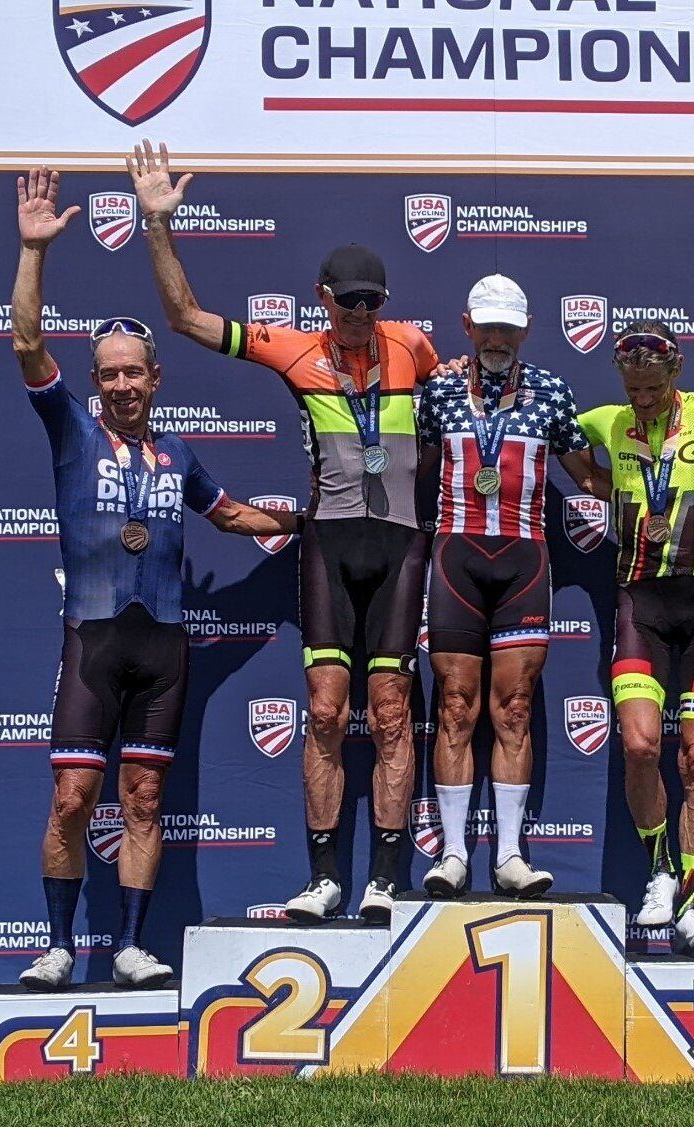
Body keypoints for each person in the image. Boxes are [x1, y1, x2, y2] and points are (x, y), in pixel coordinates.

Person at [127, 141, 447, 925]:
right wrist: (158, 224)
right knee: (328, 709)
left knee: (394, 708)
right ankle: (325, 876)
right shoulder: (293, 349)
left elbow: (455, 431)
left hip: (402, 543)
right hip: (329, 545)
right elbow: (184, 318)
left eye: (372, 301)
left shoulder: (414, 346)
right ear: (321, 297)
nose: (361, 316)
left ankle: (388, 879)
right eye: (348, 303)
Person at [11, 168, 300, 991]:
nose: (122, 383)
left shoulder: (179, 454)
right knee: (73, 797)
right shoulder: (69, 427)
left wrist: (313, 523)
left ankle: (130, 945)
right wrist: (34, 252)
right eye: (108, 373)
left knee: (141, 797)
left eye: (134, 371)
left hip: (164, 648)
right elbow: (30, 344)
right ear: (95, 382)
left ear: (155, 378)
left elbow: (233, 515)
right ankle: (58, 944)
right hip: (93, 641)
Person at [579, 321, 694, 954]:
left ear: (677, 369)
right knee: (637, 745)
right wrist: (597, 484)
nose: (642, 399)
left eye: (652, 388)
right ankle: (660, 870)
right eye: (633, 389)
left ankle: (689, 906)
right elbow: (553, 438)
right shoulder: (606, 421)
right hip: (640, 601)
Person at [416, 275, 598, 897]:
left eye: (508, 328)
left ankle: (512, 856)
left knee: (514, 708)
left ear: (524, 330)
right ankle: (454, 855)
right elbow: (405, 467)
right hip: (455, 559)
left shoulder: (552, 392)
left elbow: (590, 478)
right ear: (466, 324)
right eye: (486, 326)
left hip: (524, 560)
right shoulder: (437, 389)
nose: (496, 338)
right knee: (455, 706)